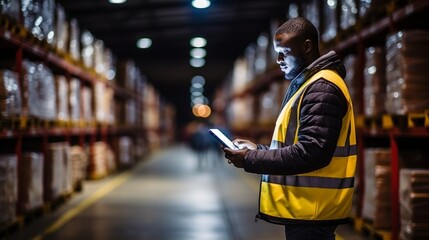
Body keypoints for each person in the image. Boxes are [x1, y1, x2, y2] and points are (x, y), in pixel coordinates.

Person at [223, 17, 357, 240]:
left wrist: (250, 159)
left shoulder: (322, 88)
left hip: (312, 211)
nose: (278, 60)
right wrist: (258, 148)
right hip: (305, 210)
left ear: (306, 47)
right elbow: (296, 144)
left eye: (284, 52)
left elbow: (312, 152)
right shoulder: (308, 86)